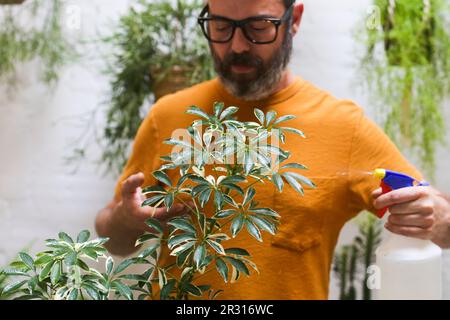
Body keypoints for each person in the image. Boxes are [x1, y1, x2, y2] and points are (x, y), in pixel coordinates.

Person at [95, 0, 450, 299]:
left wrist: (432, 215)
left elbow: (440, 220)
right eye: (220, 26)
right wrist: (125, 219)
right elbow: (114, 239)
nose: (236, 46)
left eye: (258, 27)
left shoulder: (343, 126)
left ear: (293, 20)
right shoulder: (167, 116)